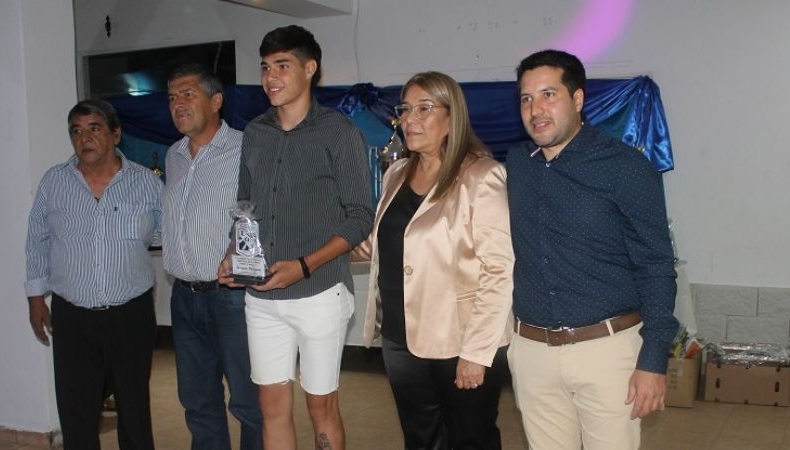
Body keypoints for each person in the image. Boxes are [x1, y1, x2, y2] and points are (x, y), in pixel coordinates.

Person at [505, 49, 678, 450]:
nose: (536, 110)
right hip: (532, 353)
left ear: (578, 99)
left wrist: (653, 360)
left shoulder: (625, 168)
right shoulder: (517, 163)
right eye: (526, 99)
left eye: (549, 95)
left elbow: (655, 265)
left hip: (607, 351)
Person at [217, 25, 374, 450]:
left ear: (310, 68)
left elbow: (361, 217)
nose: (271, 77)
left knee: (320, 407)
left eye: (282, 66)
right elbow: (245, 205)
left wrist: (304, 265)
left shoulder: (339, 133)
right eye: (266, 67)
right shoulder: (255, 132)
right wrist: (234, 253)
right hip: (262, 297)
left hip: (319, 293)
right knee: (270, 404)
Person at [353, 71, 513, 450]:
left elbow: (499, 269)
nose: (410, 119)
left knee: (470, 438)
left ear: (451, 118)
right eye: (405, 109)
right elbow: (396, 243)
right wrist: (360, 243)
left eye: (424, 108)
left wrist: (477, 353)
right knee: (420, 438)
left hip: (459, 340)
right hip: (399, 338)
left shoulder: (481, 175)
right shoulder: (395, 173)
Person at [25, 98, 161, 450]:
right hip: (73, 316)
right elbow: (37, 239)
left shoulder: (147, 183)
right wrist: (35, 297)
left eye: (94, 128)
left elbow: (169, 235)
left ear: (116, 134)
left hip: (130, 313)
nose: (84, 138)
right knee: (76, 410)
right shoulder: (54, 182)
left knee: (134, 408)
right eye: (77, 131)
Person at [163, 63, 263, 450]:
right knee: (198, 402)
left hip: (233, 299)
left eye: (188, 94)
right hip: (183, 297)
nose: (178, 104)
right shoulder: (173, 156)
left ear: (216, 100)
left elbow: (264, 212)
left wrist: (239, 251)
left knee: (249, 401)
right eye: (172, 97)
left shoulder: (246, 148)